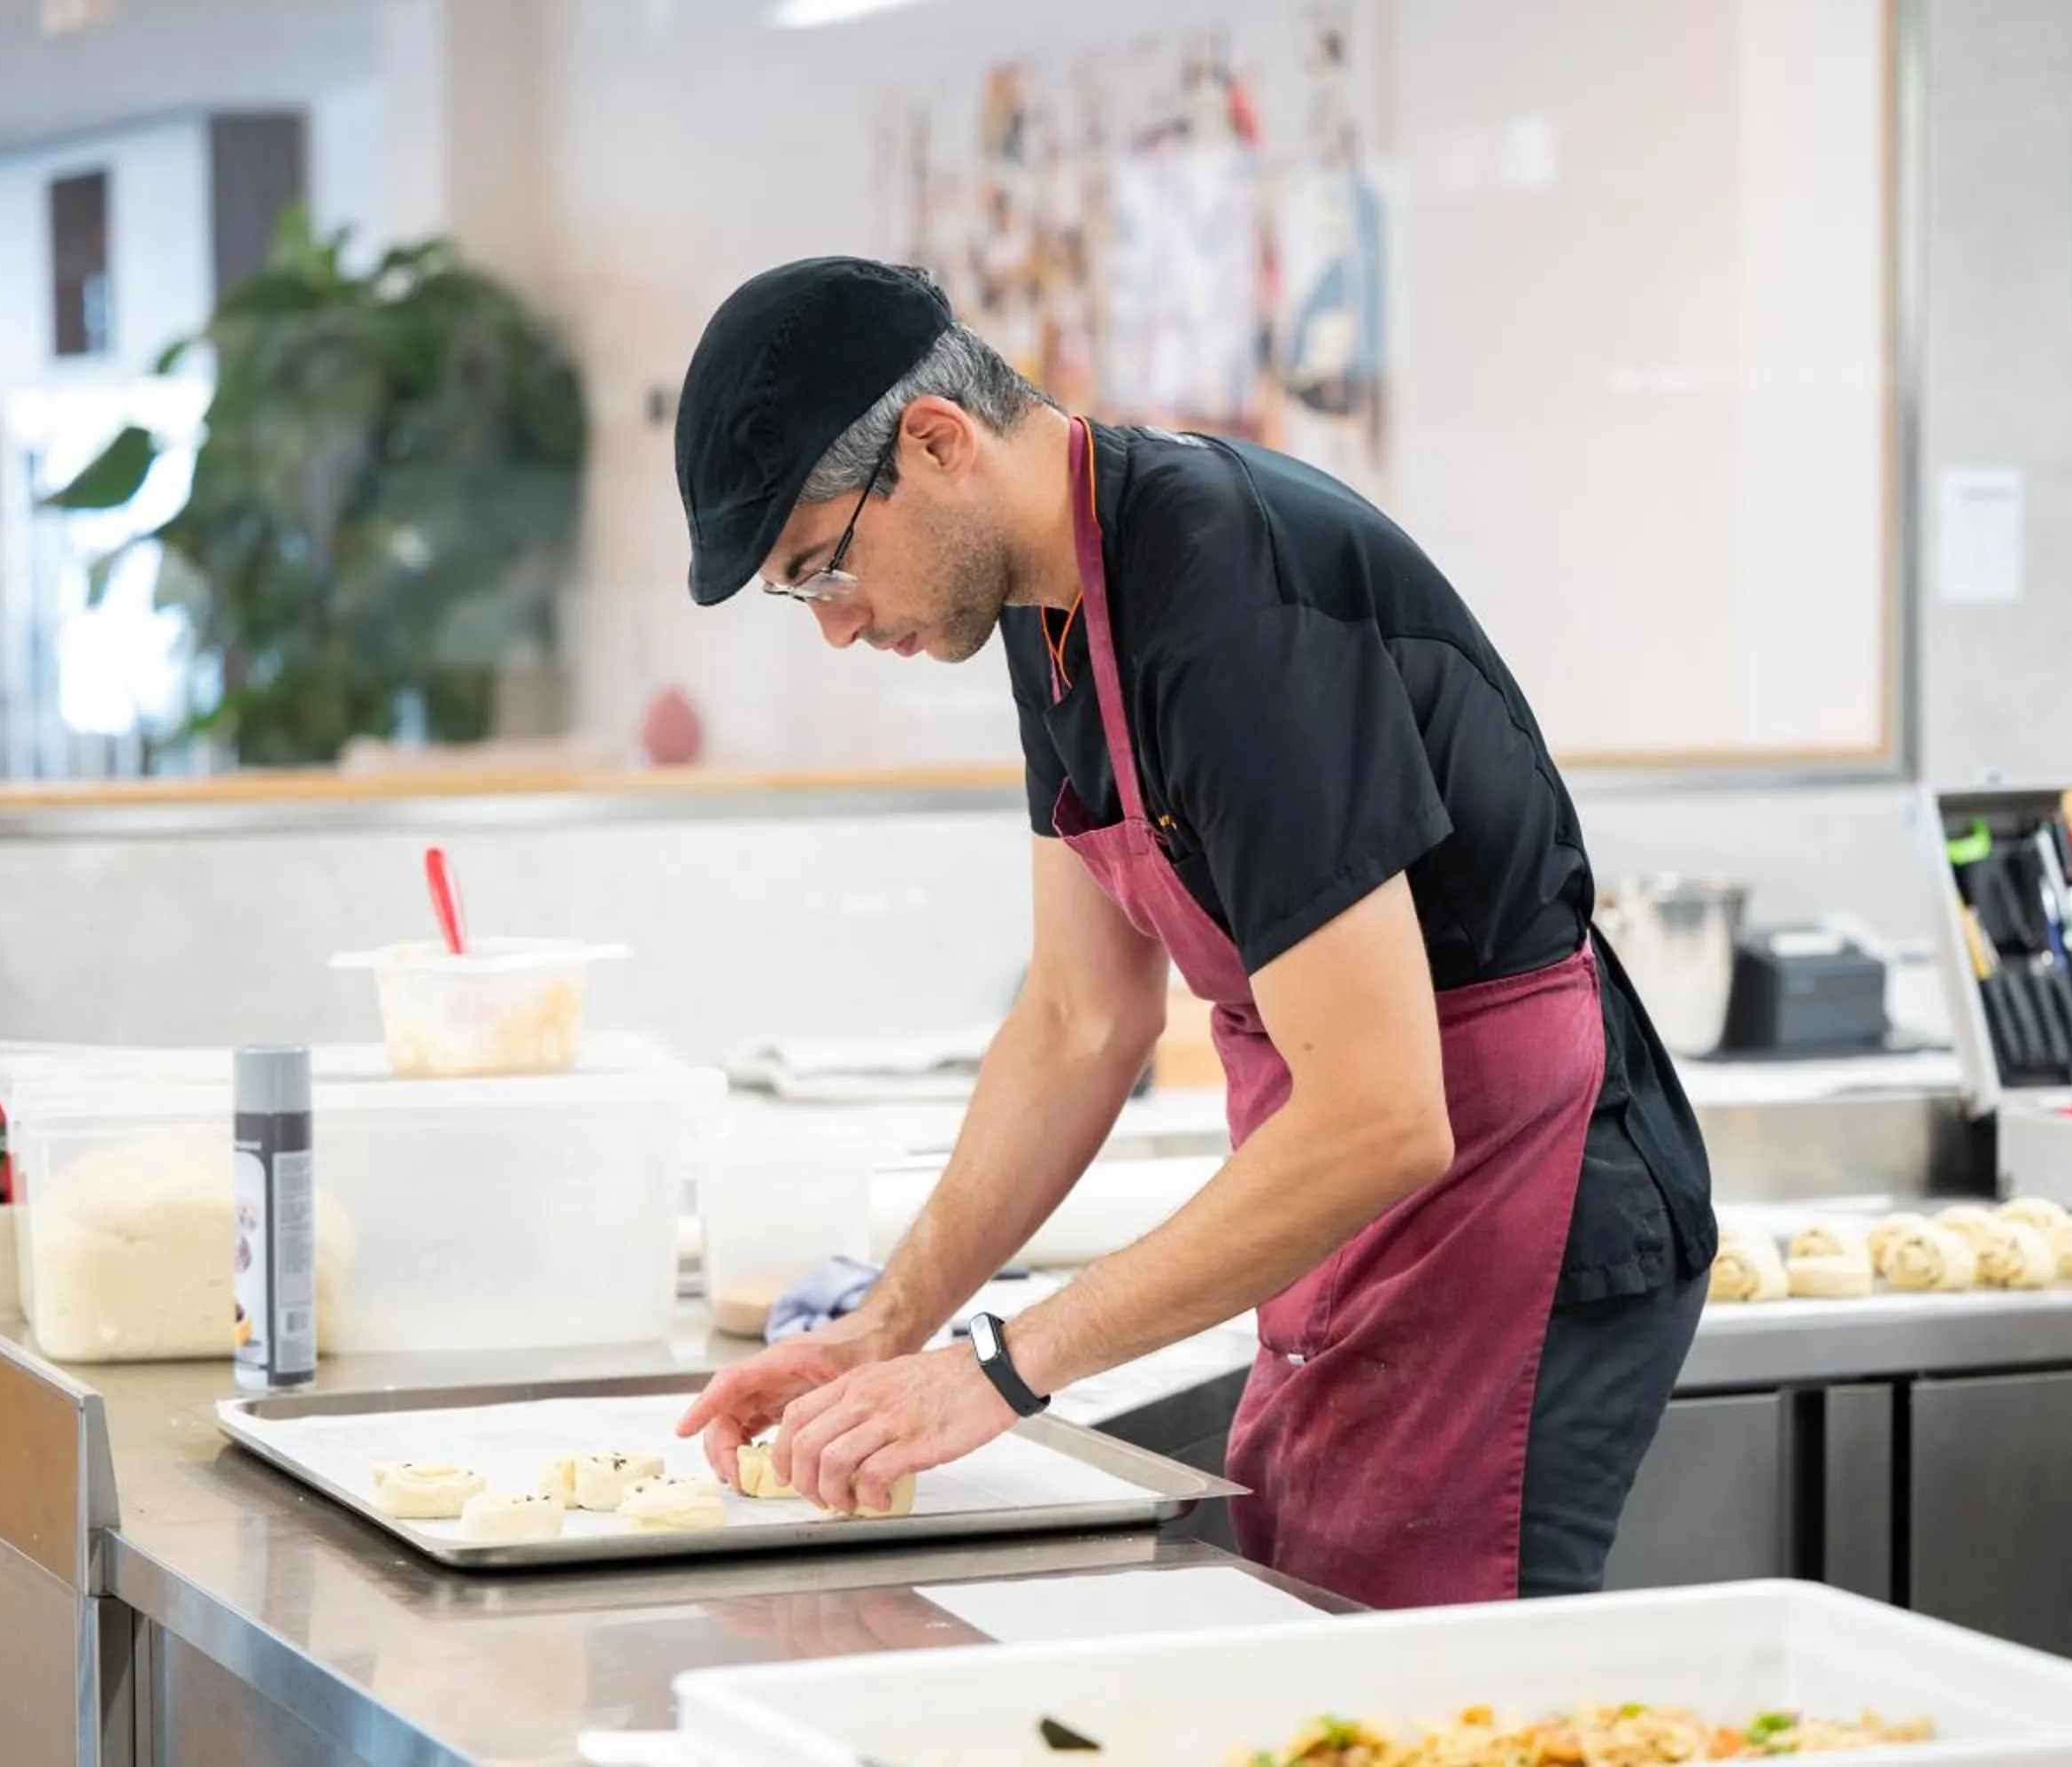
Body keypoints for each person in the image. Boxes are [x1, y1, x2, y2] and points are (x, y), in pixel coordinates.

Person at [671, 257, 1716, 1606]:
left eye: (824, 567)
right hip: (1354, 1205)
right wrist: (884, 1327)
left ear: (936, 444)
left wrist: (1001, 1371)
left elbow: (1384, 1115)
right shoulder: (1050, 602)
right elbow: (1080, 1019)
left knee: (1414, 1688)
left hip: (1514, 1198)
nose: (836, 625)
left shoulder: (1230, 597)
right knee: (1313, 1640)